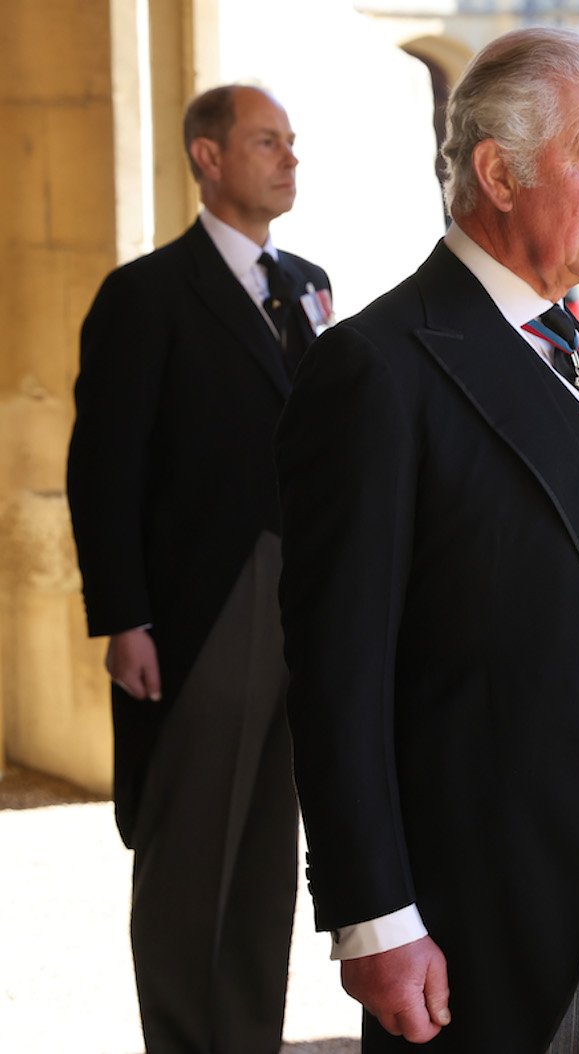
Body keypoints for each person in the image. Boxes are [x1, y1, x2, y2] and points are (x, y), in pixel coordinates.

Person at [274, 27, 579, 1054]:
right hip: (498, 861)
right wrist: (375, 918)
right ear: (497, 171)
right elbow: (339, 672)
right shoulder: (376, 372)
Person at [66, 84, 332, 1052]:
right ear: (207, 158)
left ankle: (250, 1037)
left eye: (292, 142)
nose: (289, 158)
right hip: (199, 610)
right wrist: (124, 617)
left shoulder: (308, 280)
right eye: (267, 141)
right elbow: (103, 470)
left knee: (268, 855)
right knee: (188, 858)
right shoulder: (143, 297)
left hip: (301, 601)